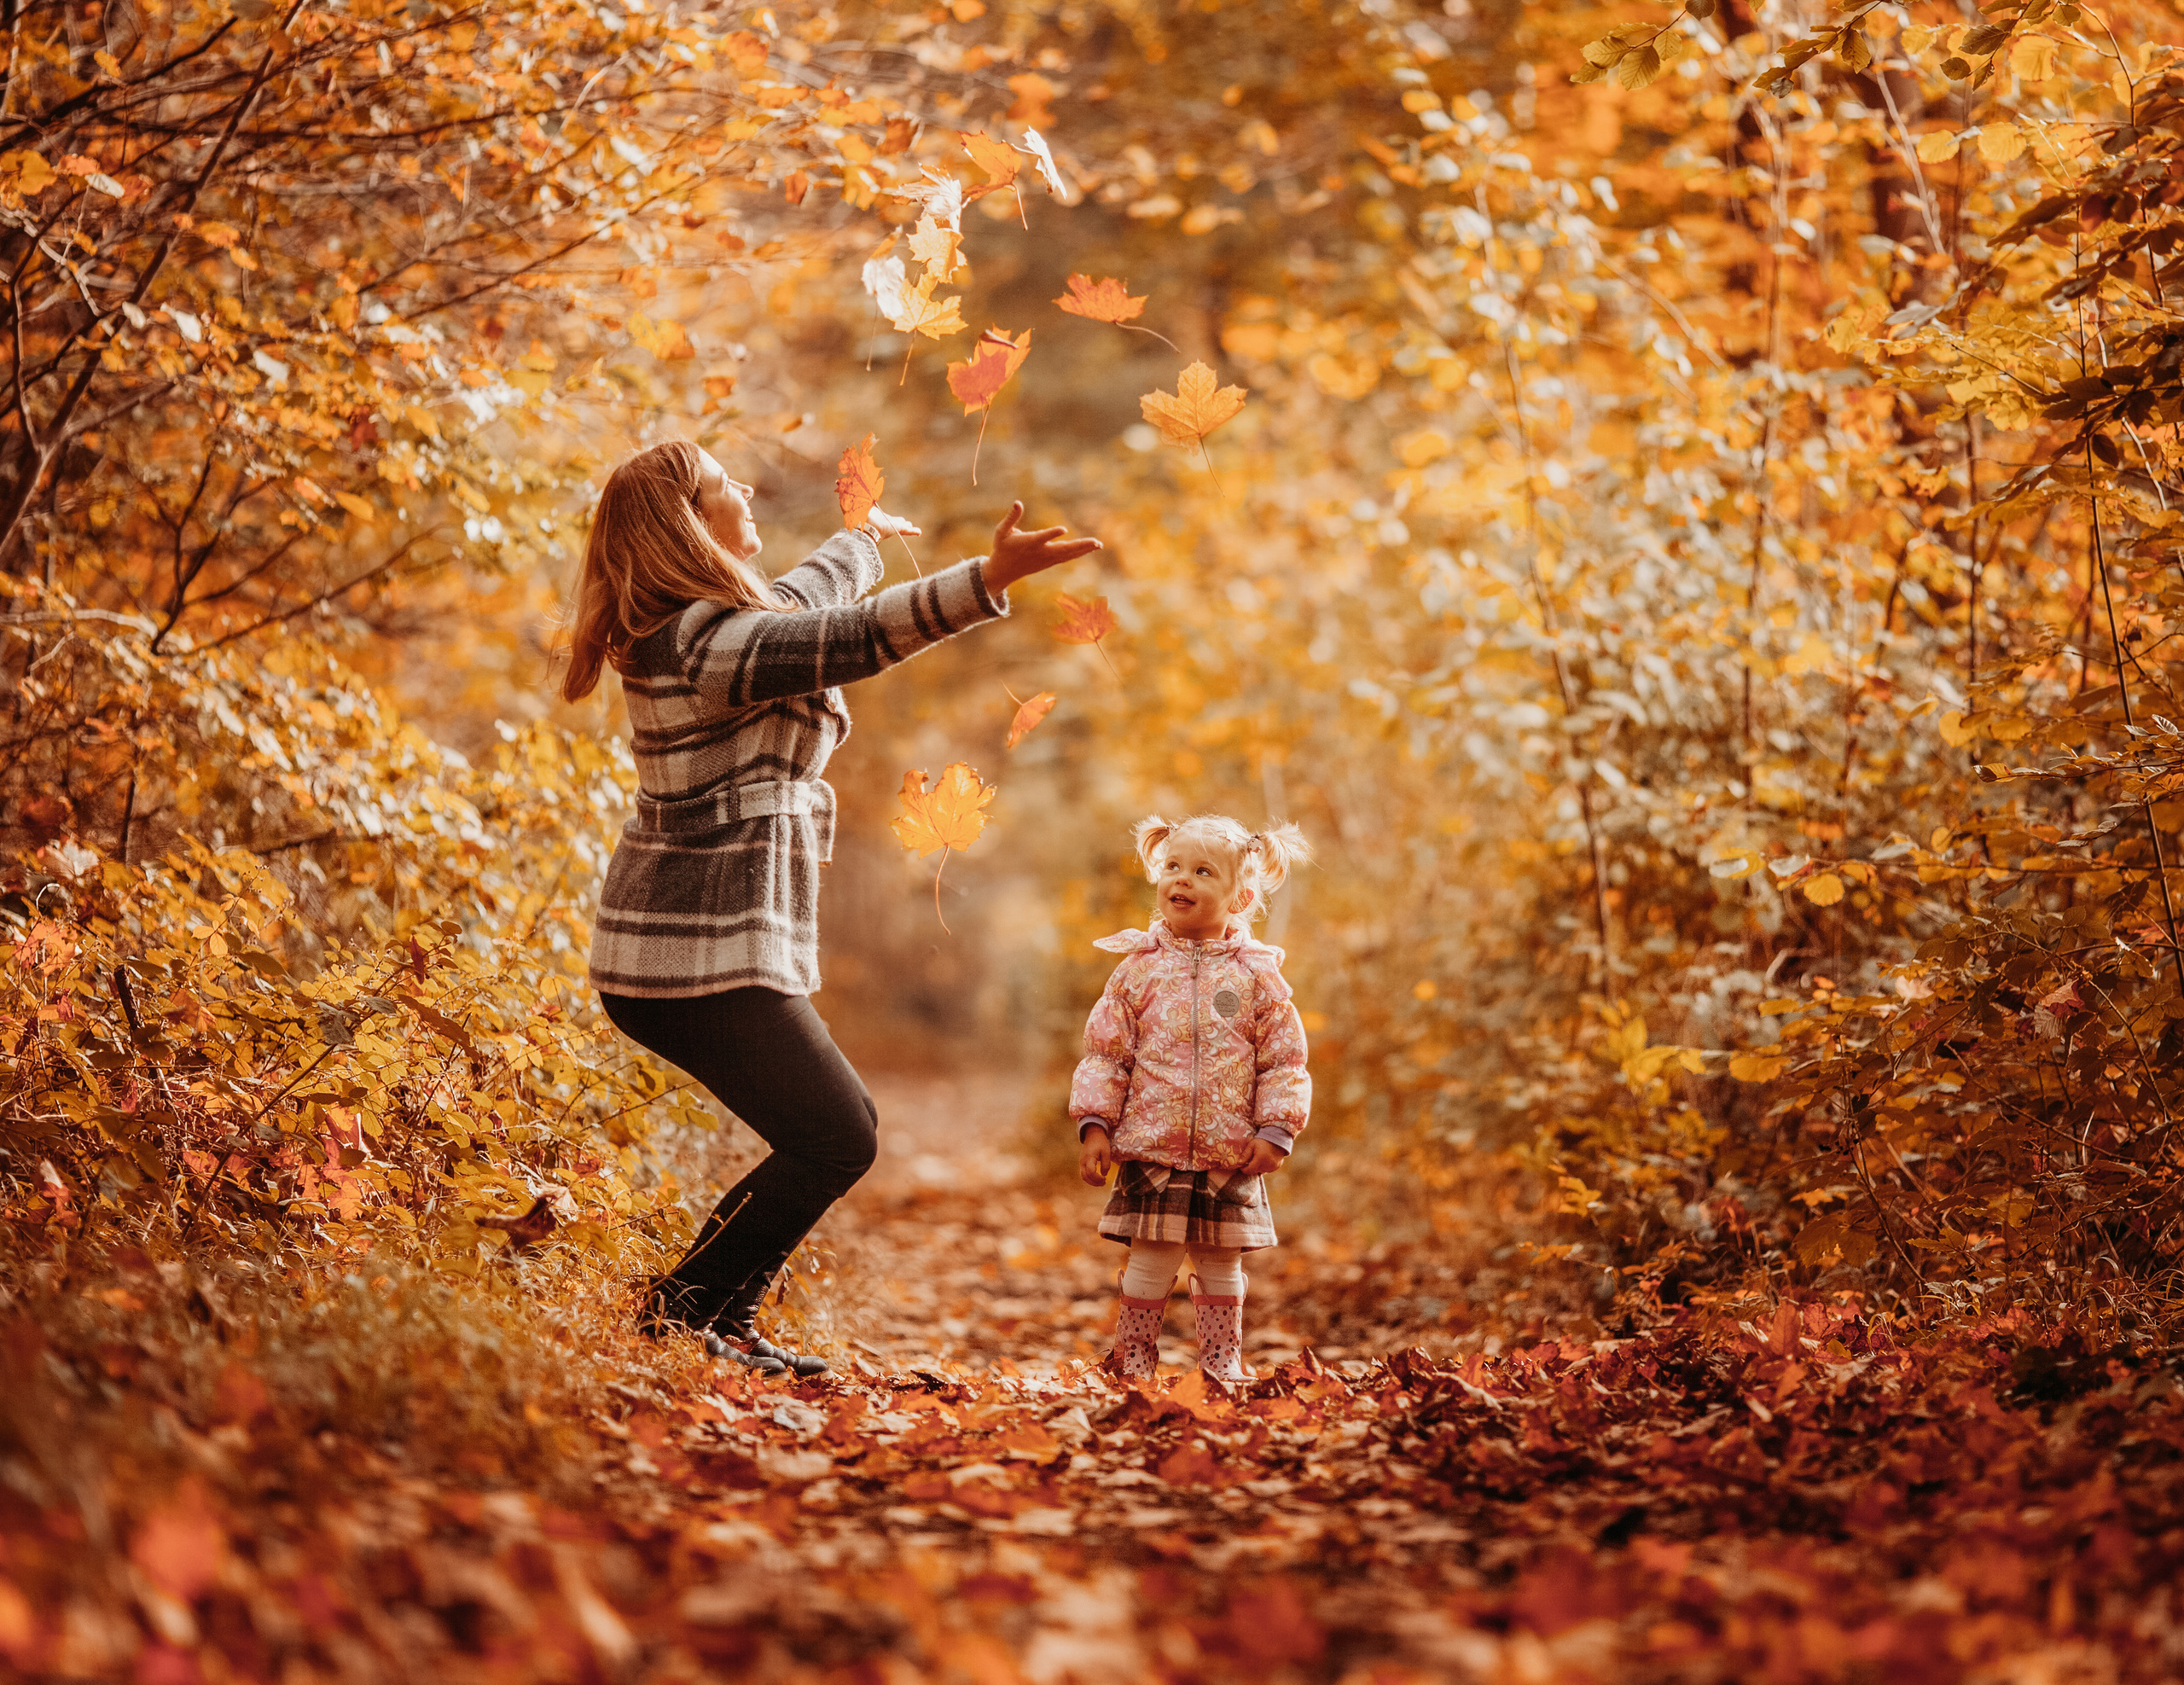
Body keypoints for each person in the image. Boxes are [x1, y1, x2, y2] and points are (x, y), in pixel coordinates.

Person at [561, 439, 1101, 1376]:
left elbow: (807, 602)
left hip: (700, 953)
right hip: (684, 958)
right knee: (836, 1133)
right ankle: (681, 1314)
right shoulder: (699, 642)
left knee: (829, 1131)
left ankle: (708, 1318)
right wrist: (984, 578)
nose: (751, 493)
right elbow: (836, 637)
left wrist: (860, 539)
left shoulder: (706, 627)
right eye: (732, 488)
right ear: (694, 520)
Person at [1071, 813, 1314, 1383]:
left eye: (1202, 870)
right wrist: (1096, 1123)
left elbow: (1284, 1059)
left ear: (1241, 895)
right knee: (1150, 1258)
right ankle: (1133, 1359)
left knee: (1219, 1261)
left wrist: (1277, 1128)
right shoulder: (1139, 971)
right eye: (1172, 866)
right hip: (1153, 1147)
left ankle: (1221, 1359)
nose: (1181, 879)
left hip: (1229, 1149)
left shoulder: (1258, 979)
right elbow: (1107, 1054)